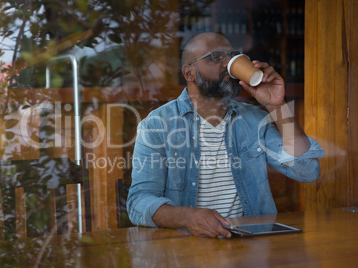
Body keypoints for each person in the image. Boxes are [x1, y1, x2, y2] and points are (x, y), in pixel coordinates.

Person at [126, 32, 324, 238]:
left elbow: (307, 171)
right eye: (216, 57)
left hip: (252, 245)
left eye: (233, 56)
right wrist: (187, 217)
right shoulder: (157, 125)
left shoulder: (254, 120)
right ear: (189, 73)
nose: (228, 64)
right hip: (187, 247)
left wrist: (276, 105)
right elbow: (138, 203)